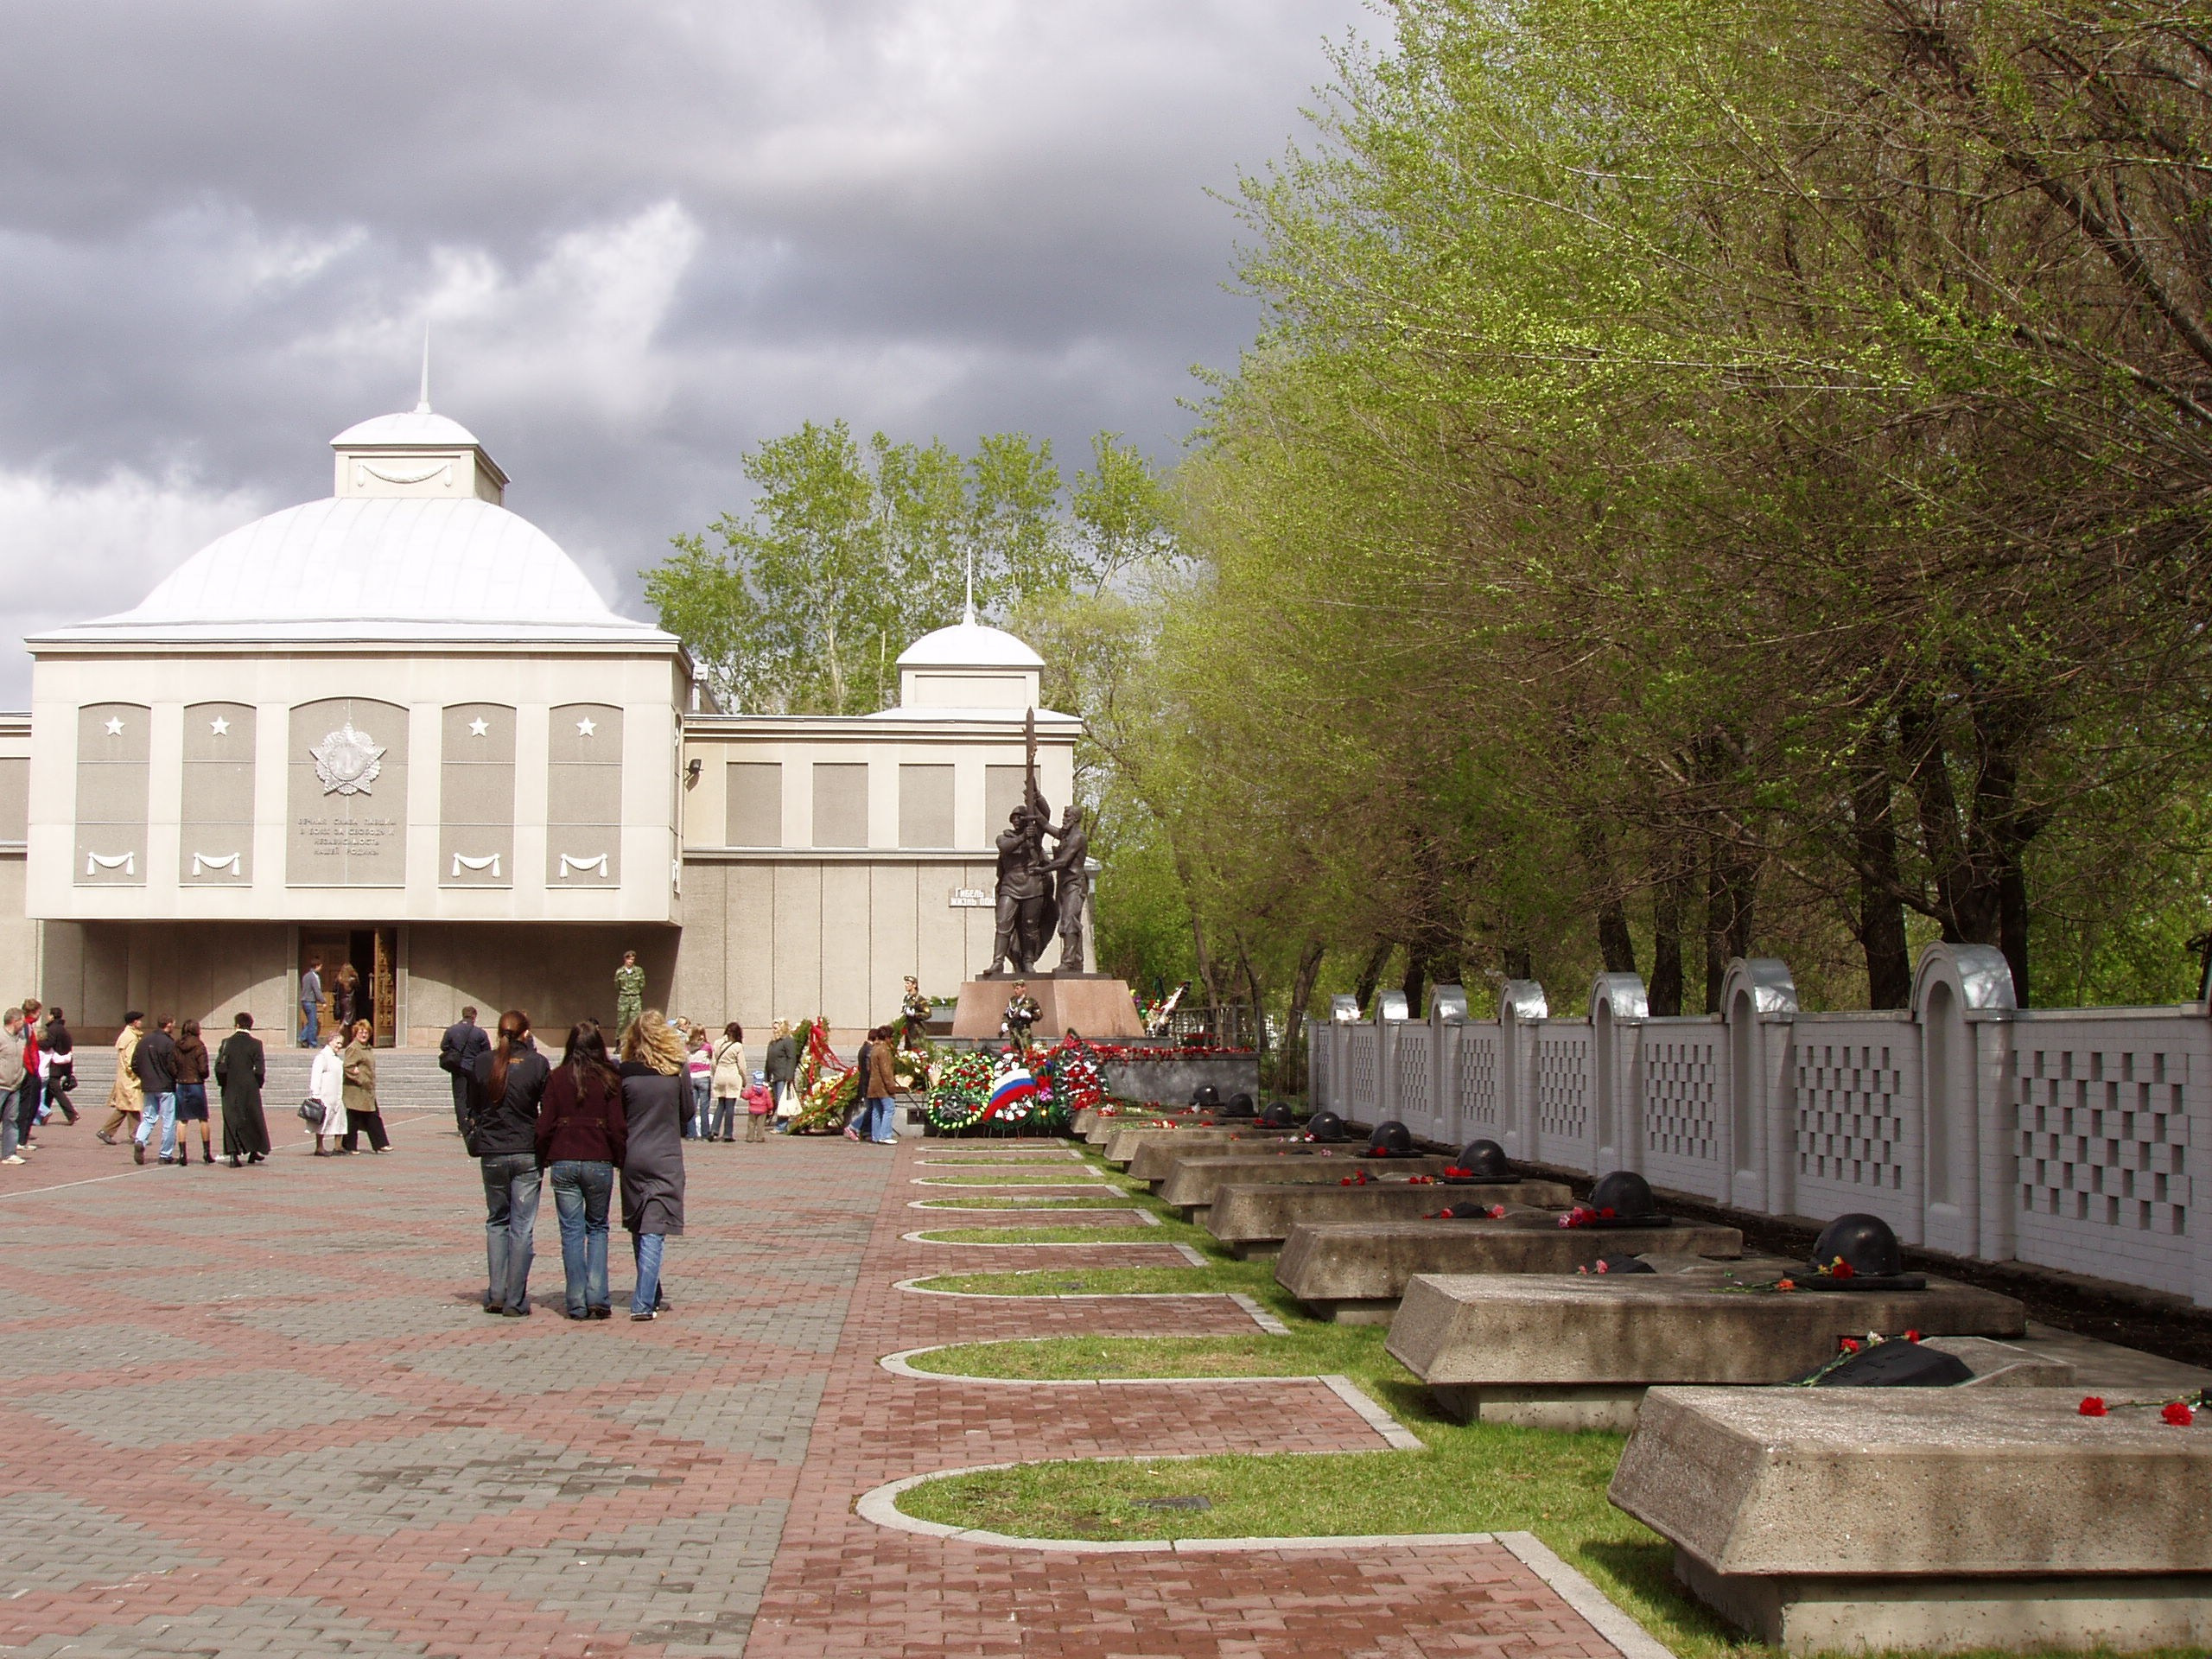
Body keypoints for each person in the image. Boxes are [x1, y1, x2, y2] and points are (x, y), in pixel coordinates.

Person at [536, 1022, 626, 1320]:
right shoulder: (610, 1078)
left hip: (564, 1158)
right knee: (597, 1228)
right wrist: (620, 1158)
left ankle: (576, 1300)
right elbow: (618, 1126)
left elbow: (544, 1124)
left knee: (571, 1231)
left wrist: (543, 1157)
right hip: (599, 1158)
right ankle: (597, 1296)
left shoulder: (557, 1077)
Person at [467, 1010, 550, 1316]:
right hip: (526, 1150)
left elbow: (473, 1105)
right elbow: (545, 1108)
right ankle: (515, 1298)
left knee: (497, 1221)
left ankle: (497, 1293)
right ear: (526, 1034)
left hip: (493, 1150)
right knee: (522, 1226)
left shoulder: (483, 1062)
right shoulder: (537, 1063)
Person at [616, 1010, 686, 1321]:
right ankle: (643, 1303)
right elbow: (687, 1113)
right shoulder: (676, 1072)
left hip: (633, 1154)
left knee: (639, 1224)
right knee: (654, 1229)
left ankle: (651, 1292)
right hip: (665, 1155)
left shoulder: (625, 1072)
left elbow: (618, 1115)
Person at [216, 1011, 269, 1166]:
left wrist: (223, 1083)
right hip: (249, 1086)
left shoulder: (227, 1043)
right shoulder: (256, 1044)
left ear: (237, 1025)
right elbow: (260, 1069)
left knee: (231, 1119)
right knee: (253, 1118)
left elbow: (219, 1067)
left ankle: (233, 1155)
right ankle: (253, 1150)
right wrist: (257, 1083)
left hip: (230, 1086)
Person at [131, 1016, 180, 1166]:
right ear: (168, 1024)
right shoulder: (169, 1043)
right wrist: (174, 1076)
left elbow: (134, 1063)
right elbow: (173, 1065)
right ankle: (165, 1154)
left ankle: (140, 1140)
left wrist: (144, 1076)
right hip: (165, 1086)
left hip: (149, 1085)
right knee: (168, 1120)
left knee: (148, 1118)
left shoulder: (143, 1041)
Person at [439, 1007, 489, 1142]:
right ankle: (473, 1121)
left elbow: (444, 1046)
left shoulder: (451, 1030)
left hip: (458, 1067)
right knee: (474, 1096)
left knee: (460, 1098)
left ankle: (462, 1126)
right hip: (474, 1068)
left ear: (463, 1015)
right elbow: (486, 1051)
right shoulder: (480, 1033)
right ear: (474, 1016)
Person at [341, 1020, 388, 1153]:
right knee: (354, 1118)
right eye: (361, 1032)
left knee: (372, 1115)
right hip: (356, 1090)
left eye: (366, 1033)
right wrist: (360, 1079)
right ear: (356, 1033)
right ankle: (350, 1146)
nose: (363, 1035)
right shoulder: (354, 1048)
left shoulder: (367, 1048)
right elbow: (348, 1066)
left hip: (367, 1090)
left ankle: (380, 1144)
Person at [171, 1017, 212, 1166]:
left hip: (182, 1083)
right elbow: (203, 1068)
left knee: (182, 1120)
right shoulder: (199, 1045)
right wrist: (203, 1075)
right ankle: (206, 1152)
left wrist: (178, 1075)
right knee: (203, 1119)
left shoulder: (177, 1045)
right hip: (196, 1083)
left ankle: (182, 1154)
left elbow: (172, 1065)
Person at [99, 1013, 144, 1144]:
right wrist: (138, 1074)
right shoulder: (131, 1038)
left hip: (125, 1078)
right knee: (132, 1106)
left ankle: (107, 1131)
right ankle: (135, 1135)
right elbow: (130, 1060)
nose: (141, 1022)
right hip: (130, 1079)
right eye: (139, 1020)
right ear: (134, 1022)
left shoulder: (127, 1035)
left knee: (126, 1107)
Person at [308, 1027, 347, 1155]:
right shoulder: (322, 1057)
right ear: (330, 1041)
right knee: (323, 1121)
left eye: (341, 1043)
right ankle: (319, 1147)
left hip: (336, 1094)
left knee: (340, 1120)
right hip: (325, 1095)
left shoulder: (336, 1058)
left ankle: (338, 1146)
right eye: (337, 1043)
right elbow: (316, 1076)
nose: (340, 1046)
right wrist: (316, 1094)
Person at [709, 1022, 746, 1143]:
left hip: (720, 1074)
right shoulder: (737, 1046)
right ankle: (727, 1134)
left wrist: (715, 1073)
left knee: (720, 1104)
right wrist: (744, 1080)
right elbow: (742, 1066)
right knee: (730, 1106)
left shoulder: (717, 1043)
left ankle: (714, 1130)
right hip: (732, 1075)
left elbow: (713, 1063)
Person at [864, 1024, 900, 1144]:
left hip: (873, 1085)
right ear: (887, 1037)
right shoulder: (884, 1050)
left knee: (876, 1110)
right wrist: (891, 1087)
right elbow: (886, 1071)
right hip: (882, 1086)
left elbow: (869, 1068)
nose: (892, 1040)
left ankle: (876, 1136)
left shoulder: (874, 1049)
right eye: (891, 1037)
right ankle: (885, 1136)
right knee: (889, 1109)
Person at [41, 1007, 77, 1125]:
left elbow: (49, 1044)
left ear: (52, 1016)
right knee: (50, 1092)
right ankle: (42, 1116)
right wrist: (69, 1071)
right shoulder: (63, 1030)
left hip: (55, 1065)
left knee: (55, 1089)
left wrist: (36, 1043)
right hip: (63, 1064)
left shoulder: (52, 1029)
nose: (47, 1017)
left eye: (48, 1014)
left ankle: (71, 1114)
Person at [16, 997, 42, 1150]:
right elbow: (27, 1051)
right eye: (39, 1012)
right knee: (29, 1105)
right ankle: (21, 1139)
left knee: (29, 1104)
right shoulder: (26, 1027)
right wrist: (33, 1070)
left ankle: (21, 1138)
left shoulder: (28, 1026)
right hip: (29, 1071)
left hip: (30, 1069)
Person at [0, 1007, 26, 1165]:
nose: (24, 1024)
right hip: (1, 1085)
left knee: (11, 1119)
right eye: (22, 1020)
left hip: (15, 1086)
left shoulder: (21, 1039)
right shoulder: (1, 1037)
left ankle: (9, 1154)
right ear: (14, 1021)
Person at [763, 1019, 797, 1128]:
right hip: (774, 1076)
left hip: (783, 1076)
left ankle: (781, 1126)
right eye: (773, 1028)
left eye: (776, 1028)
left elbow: (792, 1058)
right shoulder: (773, 1043)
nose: (774, 1030)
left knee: (782, 1101)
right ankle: (780, 1124)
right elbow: (768, 1060)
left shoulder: (788, 1041)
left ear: (782, 1028)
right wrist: (766, 1076)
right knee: (777, 1101)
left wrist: (789, 1076)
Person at [842, 1027, 874, 1142]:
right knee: (871, 1109)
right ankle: (853, 1127)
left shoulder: (863, 1048)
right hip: (868, 1084)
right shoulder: (869, 1050)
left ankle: (866, 1132)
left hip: (864, 1083)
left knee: (870, 1108)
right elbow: (869, 1069)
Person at [683, 1027, 713, 1139]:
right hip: (704, 1076)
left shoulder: (688, 1046)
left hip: (692, 1077)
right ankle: (705, 1134)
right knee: (704, 1107)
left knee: (692, 1107)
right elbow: (710, 1056)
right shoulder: (707, 1046)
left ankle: (691, 1133)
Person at [614, 950, 645, 1035]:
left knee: (636, 1021)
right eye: (629, 959)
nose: (630, 961)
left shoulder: (639, 971)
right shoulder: (619, 972)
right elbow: (617, 985)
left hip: (635, 998)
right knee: (621, 1021)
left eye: (632, 959)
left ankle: (635, 1040)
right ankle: (619, 1041)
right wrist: (625, 992)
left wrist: (636, 992)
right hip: (624, 998)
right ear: (625, 959)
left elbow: (642, 984)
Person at [299, 955, 323, 1048]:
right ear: (316, 966)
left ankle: (303, 1037)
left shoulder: (306, 976)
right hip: (310, 1001)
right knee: (313, 1024)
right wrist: (323, 1001)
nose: (321, 968)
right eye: (320, 966)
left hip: (304, 1001)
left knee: (311, 1022)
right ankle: (312, 1043)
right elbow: (317, 990)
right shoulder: (314, 977)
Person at [742, 1071, 773, 1142]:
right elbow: (769, 1100)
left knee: (751, 1123)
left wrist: (742, 1093)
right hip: (762, 1110)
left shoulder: (752, 1089)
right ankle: (760, 1137)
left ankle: (750, 1137)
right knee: (761, 1125)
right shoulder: (765, 1090)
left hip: (753, 1109)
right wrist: (770, 1108)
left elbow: (746, 1096)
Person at [332, 962, 360, 1033]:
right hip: (350, 1002)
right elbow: (358, 988)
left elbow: (334, 990)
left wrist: (336, 999)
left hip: (341, 1001)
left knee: (343, 1020)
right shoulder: (353, 980)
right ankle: (337, 1034)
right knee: (347, 1022)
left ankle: (343, 1036)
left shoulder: (338, 979)